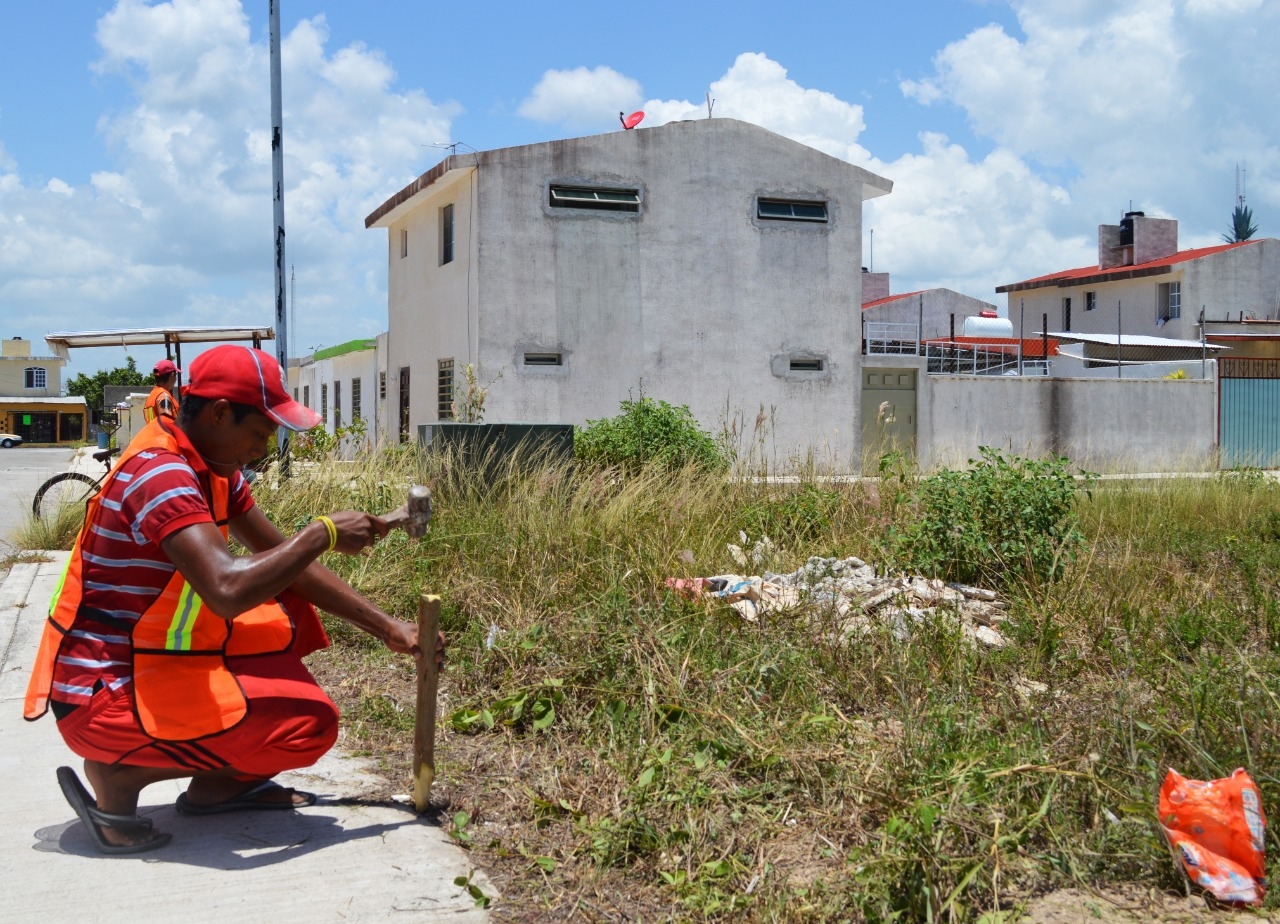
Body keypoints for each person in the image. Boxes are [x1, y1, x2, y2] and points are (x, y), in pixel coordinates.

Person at [24, 344, 444, 854]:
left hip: (147, 665)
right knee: (305, 726)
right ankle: (118, 775)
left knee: (301, 708)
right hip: (104, 691)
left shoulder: (212, 470)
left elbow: (285, 560)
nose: (262, 449)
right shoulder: (163, 475)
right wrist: (321, 532)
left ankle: (216, 790)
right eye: (260, 433)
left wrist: (389, 628)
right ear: (221, 414)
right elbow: (226, 590)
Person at [142, 358, 181, 422]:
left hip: (153, 431)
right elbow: (166, 422)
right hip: (163, 432)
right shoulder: (163, 396)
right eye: (176, 374)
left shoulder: (153, 395)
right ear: (172, 375)